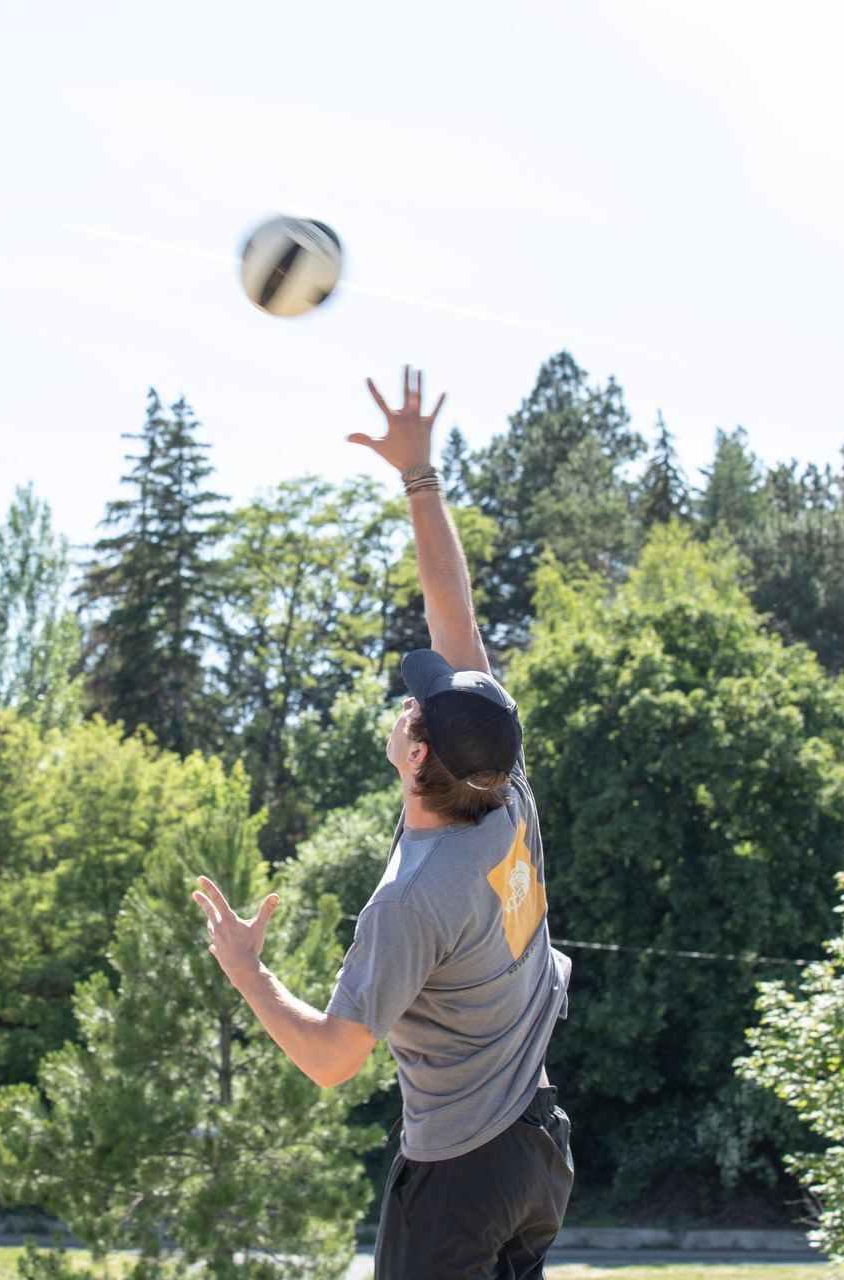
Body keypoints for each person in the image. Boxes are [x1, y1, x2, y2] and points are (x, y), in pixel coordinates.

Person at [193, 367, 573, 1279]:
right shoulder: (502, 784)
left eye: (415, 709)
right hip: (539, 1149)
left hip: (462, 1174)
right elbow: (457, 612)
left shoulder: (411, 900)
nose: (409, 704)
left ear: (415, 756)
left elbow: (332, 1059)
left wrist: (248, 972)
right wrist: (419, 474)